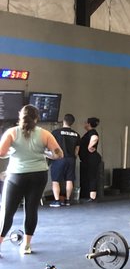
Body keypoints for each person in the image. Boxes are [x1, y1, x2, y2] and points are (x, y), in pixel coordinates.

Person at [0, 104, 64, 255]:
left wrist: (11, 152)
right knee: (31, 209)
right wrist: (45, 153)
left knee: (7, 212)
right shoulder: (45, 134)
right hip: (38, 175)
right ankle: (26, 245)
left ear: (20, 116)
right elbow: (58, 154)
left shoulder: (12, 132)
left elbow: (1, 153)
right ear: (36, 118)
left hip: (16, 175)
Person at [49, 113, 80, 207]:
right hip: (71, 159)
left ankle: (57, 201)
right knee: (69, 179)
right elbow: (77, 150)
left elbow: (51, 146)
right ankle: (67, 200)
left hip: (59, 159)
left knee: (55, 180)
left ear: (63, 121)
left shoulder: (56, 132)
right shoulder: (76, 134)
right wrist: (73, 157)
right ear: (72, 123)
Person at [78, 117, 101, 202]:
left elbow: (95, 137)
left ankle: (92, 197)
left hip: (92, 158)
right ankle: (90, 195)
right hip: (88, 159)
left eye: (85, 122)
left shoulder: (92, 132)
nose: (84, 124)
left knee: (92, 176)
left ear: (89, 124)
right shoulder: (88, 133)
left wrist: (90, 146)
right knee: (89, 176)